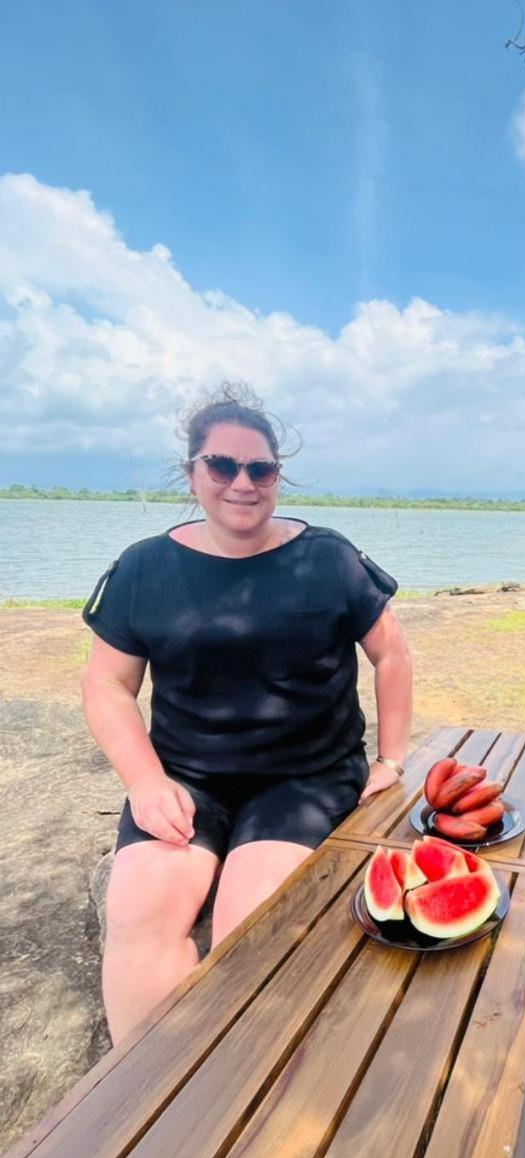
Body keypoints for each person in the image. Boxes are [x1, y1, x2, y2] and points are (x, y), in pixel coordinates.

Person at [81, 388, 413, 1045]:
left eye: (259, 469)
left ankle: (234, 1093)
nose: (243, 482)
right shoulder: (144, 566)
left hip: (306, 780)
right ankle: (144, 1099)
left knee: (249, 929)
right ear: (192, 474)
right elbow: (106, 684)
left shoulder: (329, 557)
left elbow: (392, 655)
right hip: (185, 778)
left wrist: (391, 758)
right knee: (139, 913)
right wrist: (146, 782)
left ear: (276, 476)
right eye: (222, 466)